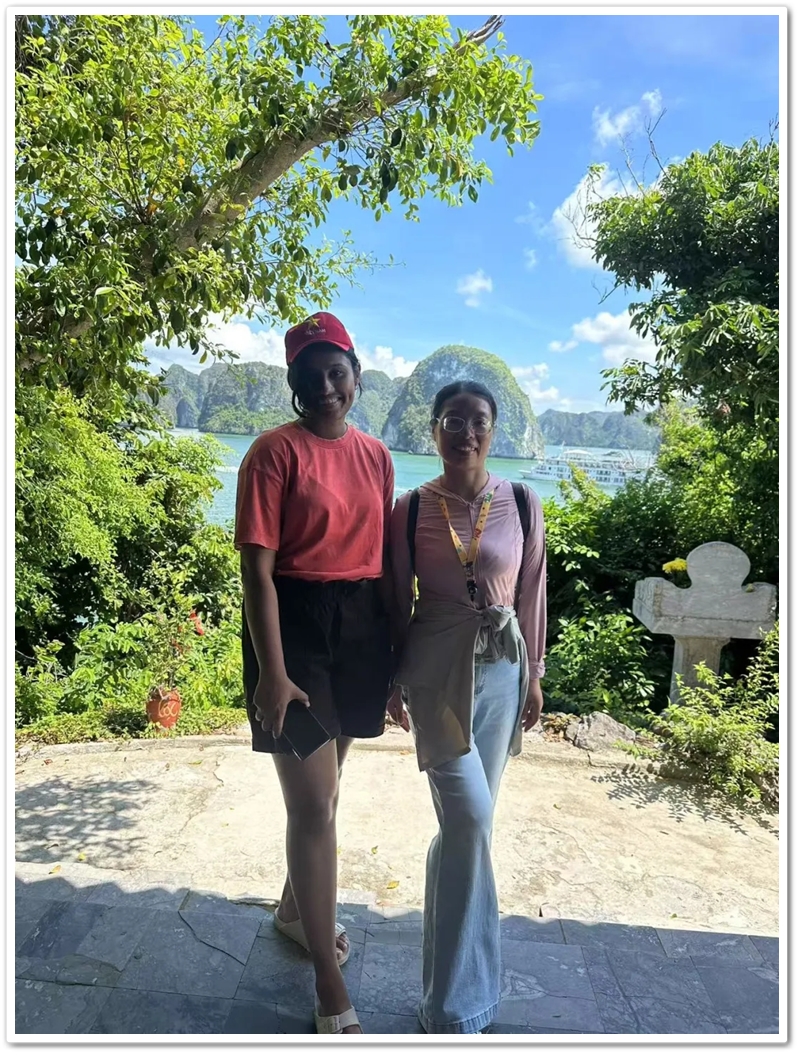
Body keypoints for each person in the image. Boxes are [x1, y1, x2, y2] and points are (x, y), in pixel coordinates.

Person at [234, 311, 394, 1035]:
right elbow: (257, 573)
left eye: (337, 372)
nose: (326, 386)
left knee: (329, 788)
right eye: (311, 374)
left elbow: (385, 562)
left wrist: (395, 654)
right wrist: (272, 671)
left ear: (356, 376)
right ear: (295, 383)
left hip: (359, 628)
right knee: (312, 805)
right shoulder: (273, 452)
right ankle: (329, 982)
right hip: (293, 630)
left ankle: (296, 912)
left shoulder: (377, 456)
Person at [387, 380, 547, 1035]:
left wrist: (535, 674)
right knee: (472, 818)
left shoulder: (522, 501)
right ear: (434, 430)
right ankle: (459, 1010)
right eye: (453, 420)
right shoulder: (409, 508)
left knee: (463, 830)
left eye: (478, 420)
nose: (466, 432)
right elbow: (395, 598)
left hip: (503, 671)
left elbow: (532, 590)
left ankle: (443, 996)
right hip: (434, 672)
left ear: (494, 429)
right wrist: (391, 677)